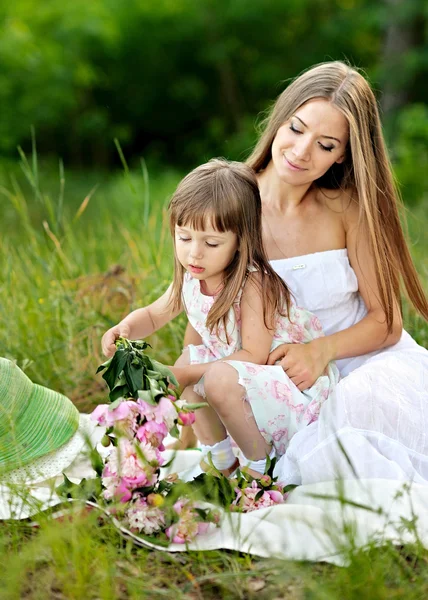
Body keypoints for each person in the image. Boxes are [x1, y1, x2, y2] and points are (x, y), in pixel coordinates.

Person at [181, 61, 428, 485]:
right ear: (279, 119)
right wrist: (186, 409)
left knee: (358, 449)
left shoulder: (346, 209)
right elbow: (205, 309)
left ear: (345, 154)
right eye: (296, 129)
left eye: (326, 144)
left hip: (360, 363)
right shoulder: (231, 204)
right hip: (277, 379)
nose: (301, 151)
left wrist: (321, 351)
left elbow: (386, 322)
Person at [101, 159, 339, 478]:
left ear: (241, 240)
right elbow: (154, 314)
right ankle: (221, 458)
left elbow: (254, 356)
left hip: (281, 384)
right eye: (184, 238)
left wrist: (187, 374)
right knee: (190, 364)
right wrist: (126, 328)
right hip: (234, 382)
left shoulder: (254, 284)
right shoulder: (190, 277)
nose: (194, 254)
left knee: (204, 374)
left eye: (211, 243)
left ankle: (260, 466)